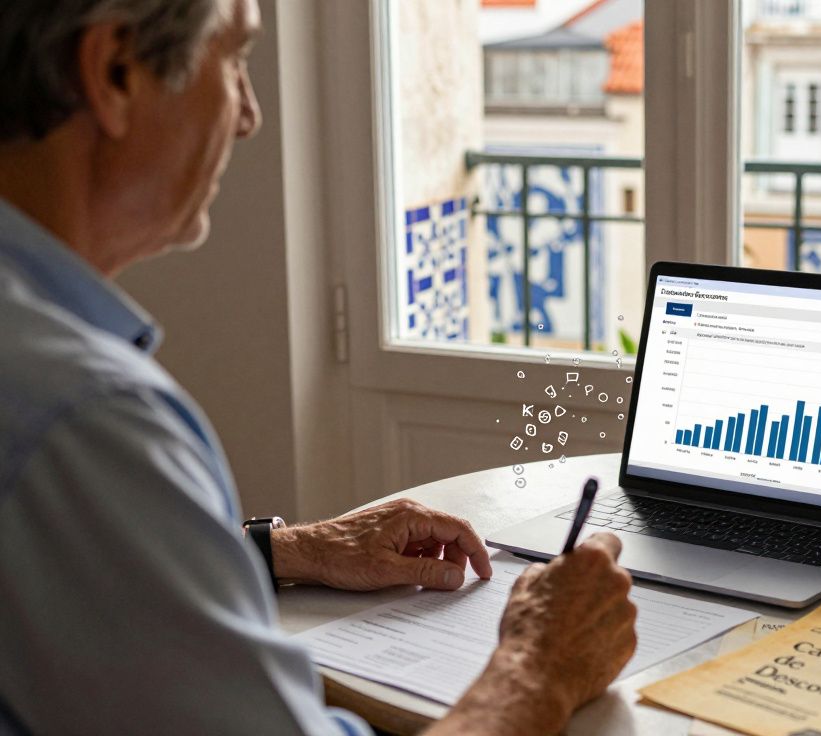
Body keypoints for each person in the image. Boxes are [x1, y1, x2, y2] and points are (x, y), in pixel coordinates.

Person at [0, 0, 636, 733]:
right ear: (113, 71)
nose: (249, 116)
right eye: (235, 58)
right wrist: (538, 667)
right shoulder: (80, 424)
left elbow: (67, 580)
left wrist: (290, 549)